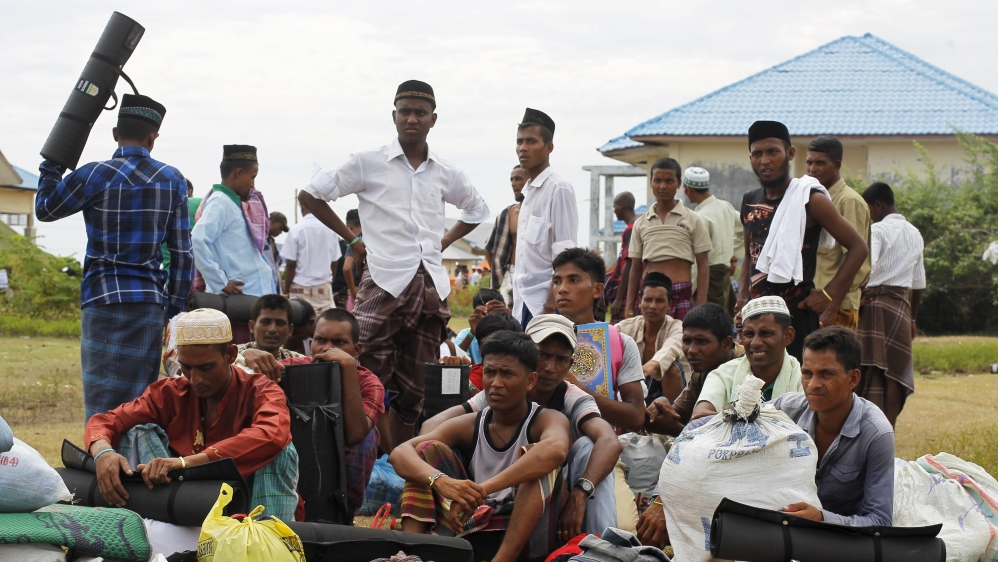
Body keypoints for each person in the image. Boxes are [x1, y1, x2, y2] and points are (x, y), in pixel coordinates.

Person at [298, 80, 490, 448]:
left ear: (433, 119)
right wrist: (353, 241)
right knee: (368, 374)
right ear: (394, 116)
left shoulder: (445, 170)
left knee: (414, 387)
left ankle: (399, 461)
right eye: (405, 112)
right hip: (383, 280)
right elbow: (311, 195)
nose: (412, 119)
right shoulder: (367, 162)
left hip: (429, 286)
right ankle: (371, 458)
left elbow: (477, 209)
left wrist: (443, 242)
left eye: (420, 113)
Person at [36, 94, 192, 422]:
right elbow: (181, 254)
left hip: (101, 299)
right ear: (153, 138)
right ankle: (134, 453)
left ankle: (99, 449)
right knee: (140, 401)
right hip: (148, 303)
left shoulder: (94, 175)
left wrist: (52, 164)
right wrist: (173, 309)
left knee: (100, 400)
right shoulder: (172, 179)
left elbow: (45, 209)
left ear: (115, 133)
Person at [83, 309, 299, 521]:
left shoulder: (262, 390)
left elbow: (272, 433)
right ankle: (148, 521)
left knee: (280, 450)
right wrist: (103, 453)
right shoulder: (169, 392)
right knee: (137, 431)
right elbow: (108, 421)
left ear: (231, 355)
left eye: (206, 368)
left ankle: (267, 537)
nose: (195, 379)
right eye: (186, 368)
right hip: (185, 502)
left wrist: (187, 463)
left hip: (246, 507)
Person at [423, 315, 625, 538]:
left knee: (586, 447)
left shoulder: (572, 397)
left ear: (570, 364)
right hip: (492, 492)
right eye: (543, 355)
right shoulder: (501, 390)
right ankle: (419, 541)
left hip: (552, 496)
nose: (550, 368)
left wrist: (581, 491)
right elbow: (429, 430)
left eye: (561, 359)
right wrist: (442, 478)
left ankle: (601, 544)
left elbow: (610, 440)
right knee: (431, 451)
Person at [390, 332, 571, 562]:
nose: (496, 383)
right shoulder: (470, 423)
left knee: (541, 463)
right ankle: (411, 553)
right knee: (425, 450)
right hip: (471, 523)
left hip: (525, 537)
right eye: (490, 372)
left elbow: (556, 450)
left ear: (530, 380)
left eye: (507, 374)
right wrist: (441, 481)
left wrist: (482, 490)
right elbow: (400, 453)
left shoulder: (547, 419)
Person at [738, 121, 868, 362]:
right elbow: (749, 255)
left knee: (798, 383)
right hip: (757, 316)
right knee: (756, 382)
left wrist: (828, 297)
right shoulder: (749, 200)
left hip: (796, 316)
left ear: (790, 154)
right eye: (757, 154)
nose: (764, 160)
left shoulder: (809, 199)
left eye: (772, 152)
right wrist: (742, 300)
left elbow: (858, 247)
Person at [637, 303, 743, 548]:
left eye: (701, 342)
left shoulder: (743, 371)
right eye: (687, 341)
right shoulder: (701, 372)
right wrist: (660, 410)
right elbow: (679, 417)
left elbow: (721, 442)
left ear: (726, 344)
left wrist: (674, 428)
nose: (691, 350)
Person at [777, 327, 895, 526]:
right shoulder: (785, 410)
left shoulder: (876, 434)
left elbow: (880, 520)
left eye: (826, 374)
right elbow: (735, 420)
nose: (813, 384)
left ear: (853, 379)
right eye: (807, 373)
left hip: (843, 536)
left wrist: (822, 518)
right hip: (785, 524)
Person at [552, 248, 646, 433]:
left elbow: (636, 417)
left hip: (602, 443)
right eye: (557, 281)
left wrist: (575, 388)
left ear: (597, 290)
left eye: (573, 280)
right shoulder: (536, 340)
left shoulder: (621, 343)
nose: (562, 289)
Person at [857, 182, 926, 426]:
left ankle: (866, 429)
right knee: (894, 373)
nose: (868, 215)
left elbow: (868, 267)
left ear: (878, 205)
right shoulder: (915, 233)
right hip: (901, 307)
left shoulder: (877, 231)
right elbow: (919, 283)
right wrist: (913, 318)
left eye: (868, 209)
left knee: (867, 368)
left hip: (874, 305)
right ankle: (889, 429)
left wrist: (857, 296)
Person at [512, 108, 579, 326]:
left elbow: (566, 255)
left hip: (545, 305)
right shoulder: (528, 194)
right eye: (520, 142)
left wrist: (550, 306)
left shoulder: (559, 189)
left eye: (531, 141)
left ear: (549, 147)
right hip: (523, 303)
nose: (523, 148)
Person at [625, 158, 712, 322]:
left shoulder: (693, 219)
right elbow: (635, 268)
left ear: (679, 183)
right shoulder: (641, 223)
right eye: (657, 180)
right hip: (649, 296)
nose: (663, 186)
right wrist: (629, 307)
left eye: (669, 181)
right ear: (651, 183)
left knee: (681, 337)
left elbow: (704, 266)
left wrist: (701, 305)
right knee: (648, 338)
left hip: (680, 294)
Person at [690, 296, 803, 420]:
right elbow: (699, 418)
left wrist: (728, 417)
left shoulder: (803, 380)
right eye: (749, 334)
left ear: (788, 336)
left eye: (766, 333)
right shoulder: (723, 375)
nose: (755, 343)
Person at [191, 145, 276, 299]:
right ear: (238, 173)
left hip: (251, 295)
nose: (253, 185)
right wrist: (220, 282)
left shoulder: (232, 203)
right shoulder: (220, 202)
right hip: (239, 297)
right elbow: (197, 240)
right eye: (252, 177)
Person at [807, 136, 871, 330]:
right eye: (809, 163)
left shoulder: (848, 201)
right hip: (813, 303)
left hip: (836, 306)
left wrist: (831, 305)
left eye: (820, 163)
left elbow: (854, 258)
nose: (812, 169)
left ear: (837, 165)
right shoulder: (813, 199)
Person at [616, 273, 688, 403]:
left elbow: (672, 347)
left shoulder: (677, 327)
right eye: (648, 300)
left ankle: (675, 415)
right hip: (638, 390)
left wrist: (653, 365)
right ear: (640, 302)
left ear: (669, 305)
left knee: (671, 368)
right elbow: (607, 338)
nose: (653, 306)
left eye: (659, 301)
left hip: (676, 395)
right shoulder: (626, 327)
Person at [681, 167, 743, 308]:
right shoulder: (726, 207)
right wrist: (730, 251)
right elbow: (747, 227)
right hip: (724, 278)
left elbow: (697, 263)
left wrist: (689, 292)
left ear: (688, 189)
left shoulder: (699, 217)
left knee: (706, 319)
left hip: (707, 281)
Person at [281, 199, 342, 314]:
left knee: (299, 320)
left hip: (300, 287)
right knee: (324, 321)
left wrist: (286, 292)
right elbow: (334, 262)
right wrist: (330, 282)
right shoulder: (331, 230)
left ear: (303, 206)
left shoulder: (296, 229)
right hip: (323, 287)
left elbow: (291, 264)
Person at [485, 165, 528, 303]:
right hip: (511, 275)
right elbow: (489, 248)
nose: (513, 184)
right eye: (512, 180)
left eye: (518, 179)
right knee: (507, 315)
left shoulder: (543, 212)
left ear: (531, 181)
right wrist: (501, 276)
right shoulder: (508, 214)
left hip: (534, 276)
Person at [236, 294, 305, 362]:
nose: (272, 329)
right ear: (252, 326)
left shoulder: (299, 362)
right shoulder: (233, 356)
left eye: (280, 323)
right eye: (265, 322)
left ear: (290, 330)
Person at [606, 191, 638, 322]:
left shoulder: (632, 229)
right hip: (627, 287)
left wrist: (618, 299)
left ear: (622, 206)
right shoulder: (634, 227)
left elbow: (629, 264)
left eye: (615, 207)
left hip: (625, 289)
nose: (614, 211)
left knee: (621, 327)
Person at [454, 288, 507, 364]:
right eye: (483, 313)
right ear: (475, 314)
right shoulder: (466, 334)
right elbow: (455, 358)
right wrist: (472, 333)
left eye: (494, 314)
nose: (488, 318)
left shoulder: (509, 330)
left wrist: (507, 320)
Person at [341, 209, 364, 310]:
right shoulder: (371, 237)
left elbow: (347, 267)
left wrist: (353, 289)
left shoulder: (355, 241)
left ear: (349, 226)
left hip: (359, 292)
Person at [268, 211, 290, 294]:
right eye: (280, 228)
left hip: (274, 288)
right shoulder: (258, 241)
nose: (280, 232)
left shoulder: (271, 242)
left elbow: (275, 268)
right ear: (272, 222)